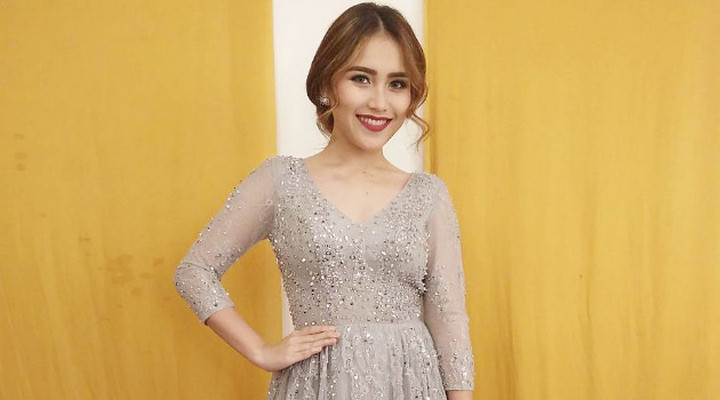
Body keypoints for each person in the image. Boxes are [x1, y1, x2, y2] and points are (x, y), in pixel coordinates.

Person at [173, 3, 474, 399]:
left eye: (397, 84)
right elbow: (194, 270)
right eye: (361, 78)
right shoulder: (281, 181)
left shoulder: (428, 195)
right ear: (328, 83)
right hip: (316, 385)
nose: (380, 102)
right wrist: (261, 351)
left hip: (412, 386)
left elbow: (449, 315)